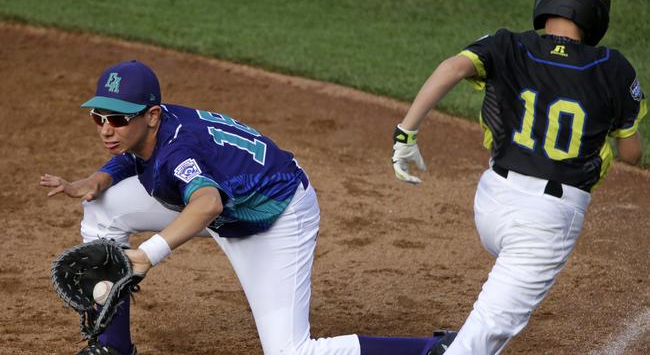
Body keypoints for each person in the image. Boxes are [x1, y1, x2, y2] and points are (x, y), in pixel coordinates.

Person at [41, 59, 457, 355]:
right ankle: (112, 348)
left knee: (290, 351)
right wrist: (100, 178)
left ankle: (433, 349)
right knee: (102, 208)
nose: (107, 129)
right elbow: (137, 154)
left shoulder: (178, 150)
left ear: (151, 115)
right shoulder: (154, 130)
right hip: (225, 201)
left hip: (272, 216)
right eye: (99, 118)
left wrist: (148, 254)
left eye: (118, 119)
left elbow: (206, 203)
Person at [391, 0, 646, 354]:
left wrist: (406, 132)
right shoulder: (613, 67)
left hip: (490, 204)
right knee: (480, 342)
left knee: (487, 325)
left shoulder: (509, 44)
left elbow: (453, 67)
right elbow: (632, 153)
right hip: (544, 225)